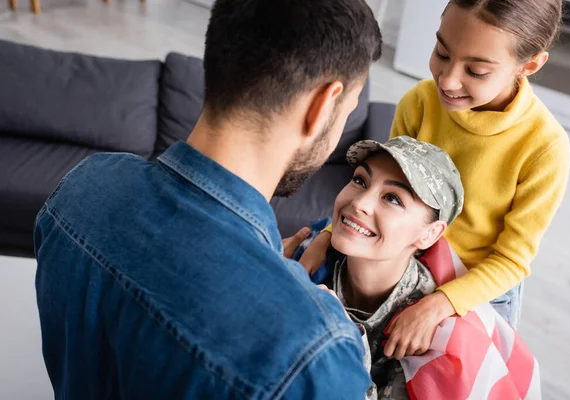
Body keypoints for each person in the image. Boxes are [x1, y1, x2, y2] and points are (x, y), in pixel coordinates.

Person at [33, 0, 382, 398]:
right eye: (347, 111)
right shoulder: (312, 349)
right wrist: (322, 330)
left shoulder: (82, 188)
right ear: (321, 107)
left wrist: (271, 276)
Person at [311, 0, 570, 361]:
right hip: (408, 261)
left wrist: (438, 305)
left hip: (478, 288)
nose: (447, 80)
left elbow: (511, 261)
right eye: (441, 52)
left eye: (476, 71)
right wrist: (324, 238)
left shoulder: (545, 149)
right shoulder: (419, 102)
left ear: (528, 66)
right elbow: (379, 188)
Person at [293, 136, 464, 399]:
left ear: (429, 235)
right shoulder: (307, 256)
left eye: (393, 198)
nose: (360, 203)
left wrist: (345, 338)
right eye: (360, 180)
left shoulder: (432, 333)